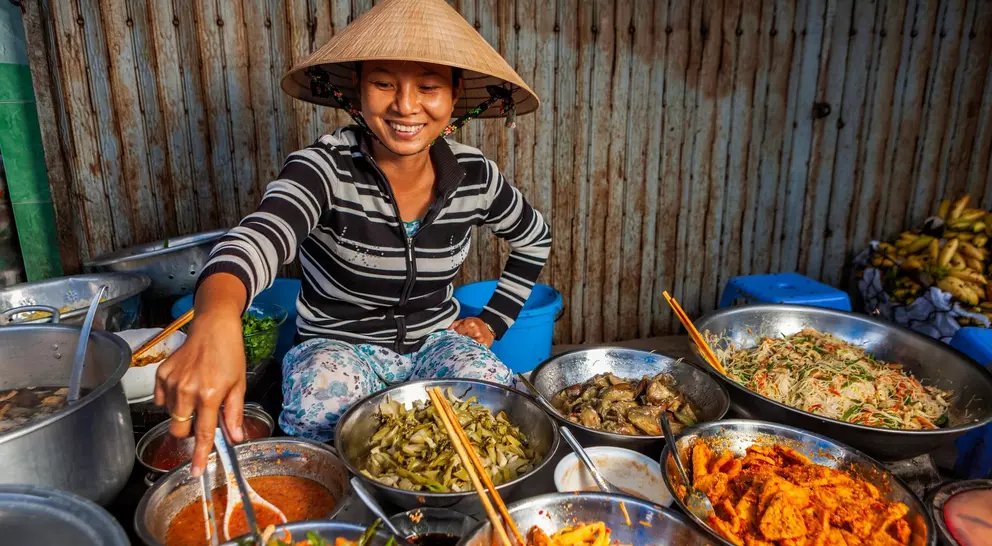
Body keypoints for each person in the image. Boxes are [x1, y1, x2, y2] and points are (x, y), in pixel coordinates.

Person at [154, 0, 550, 477]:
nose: (405, 105)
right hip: (335, 346)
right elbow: (259, 237)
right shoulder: (321, 169)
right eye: (384, 83)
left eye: (428, 86)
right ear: (357, 92)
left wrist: (493, 321)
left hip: (436, 342)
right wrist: (216, 317)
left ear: (453, 95)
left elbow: (534, 237)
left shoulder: (474, 176)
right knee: (326, 421)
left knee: (495, 406)